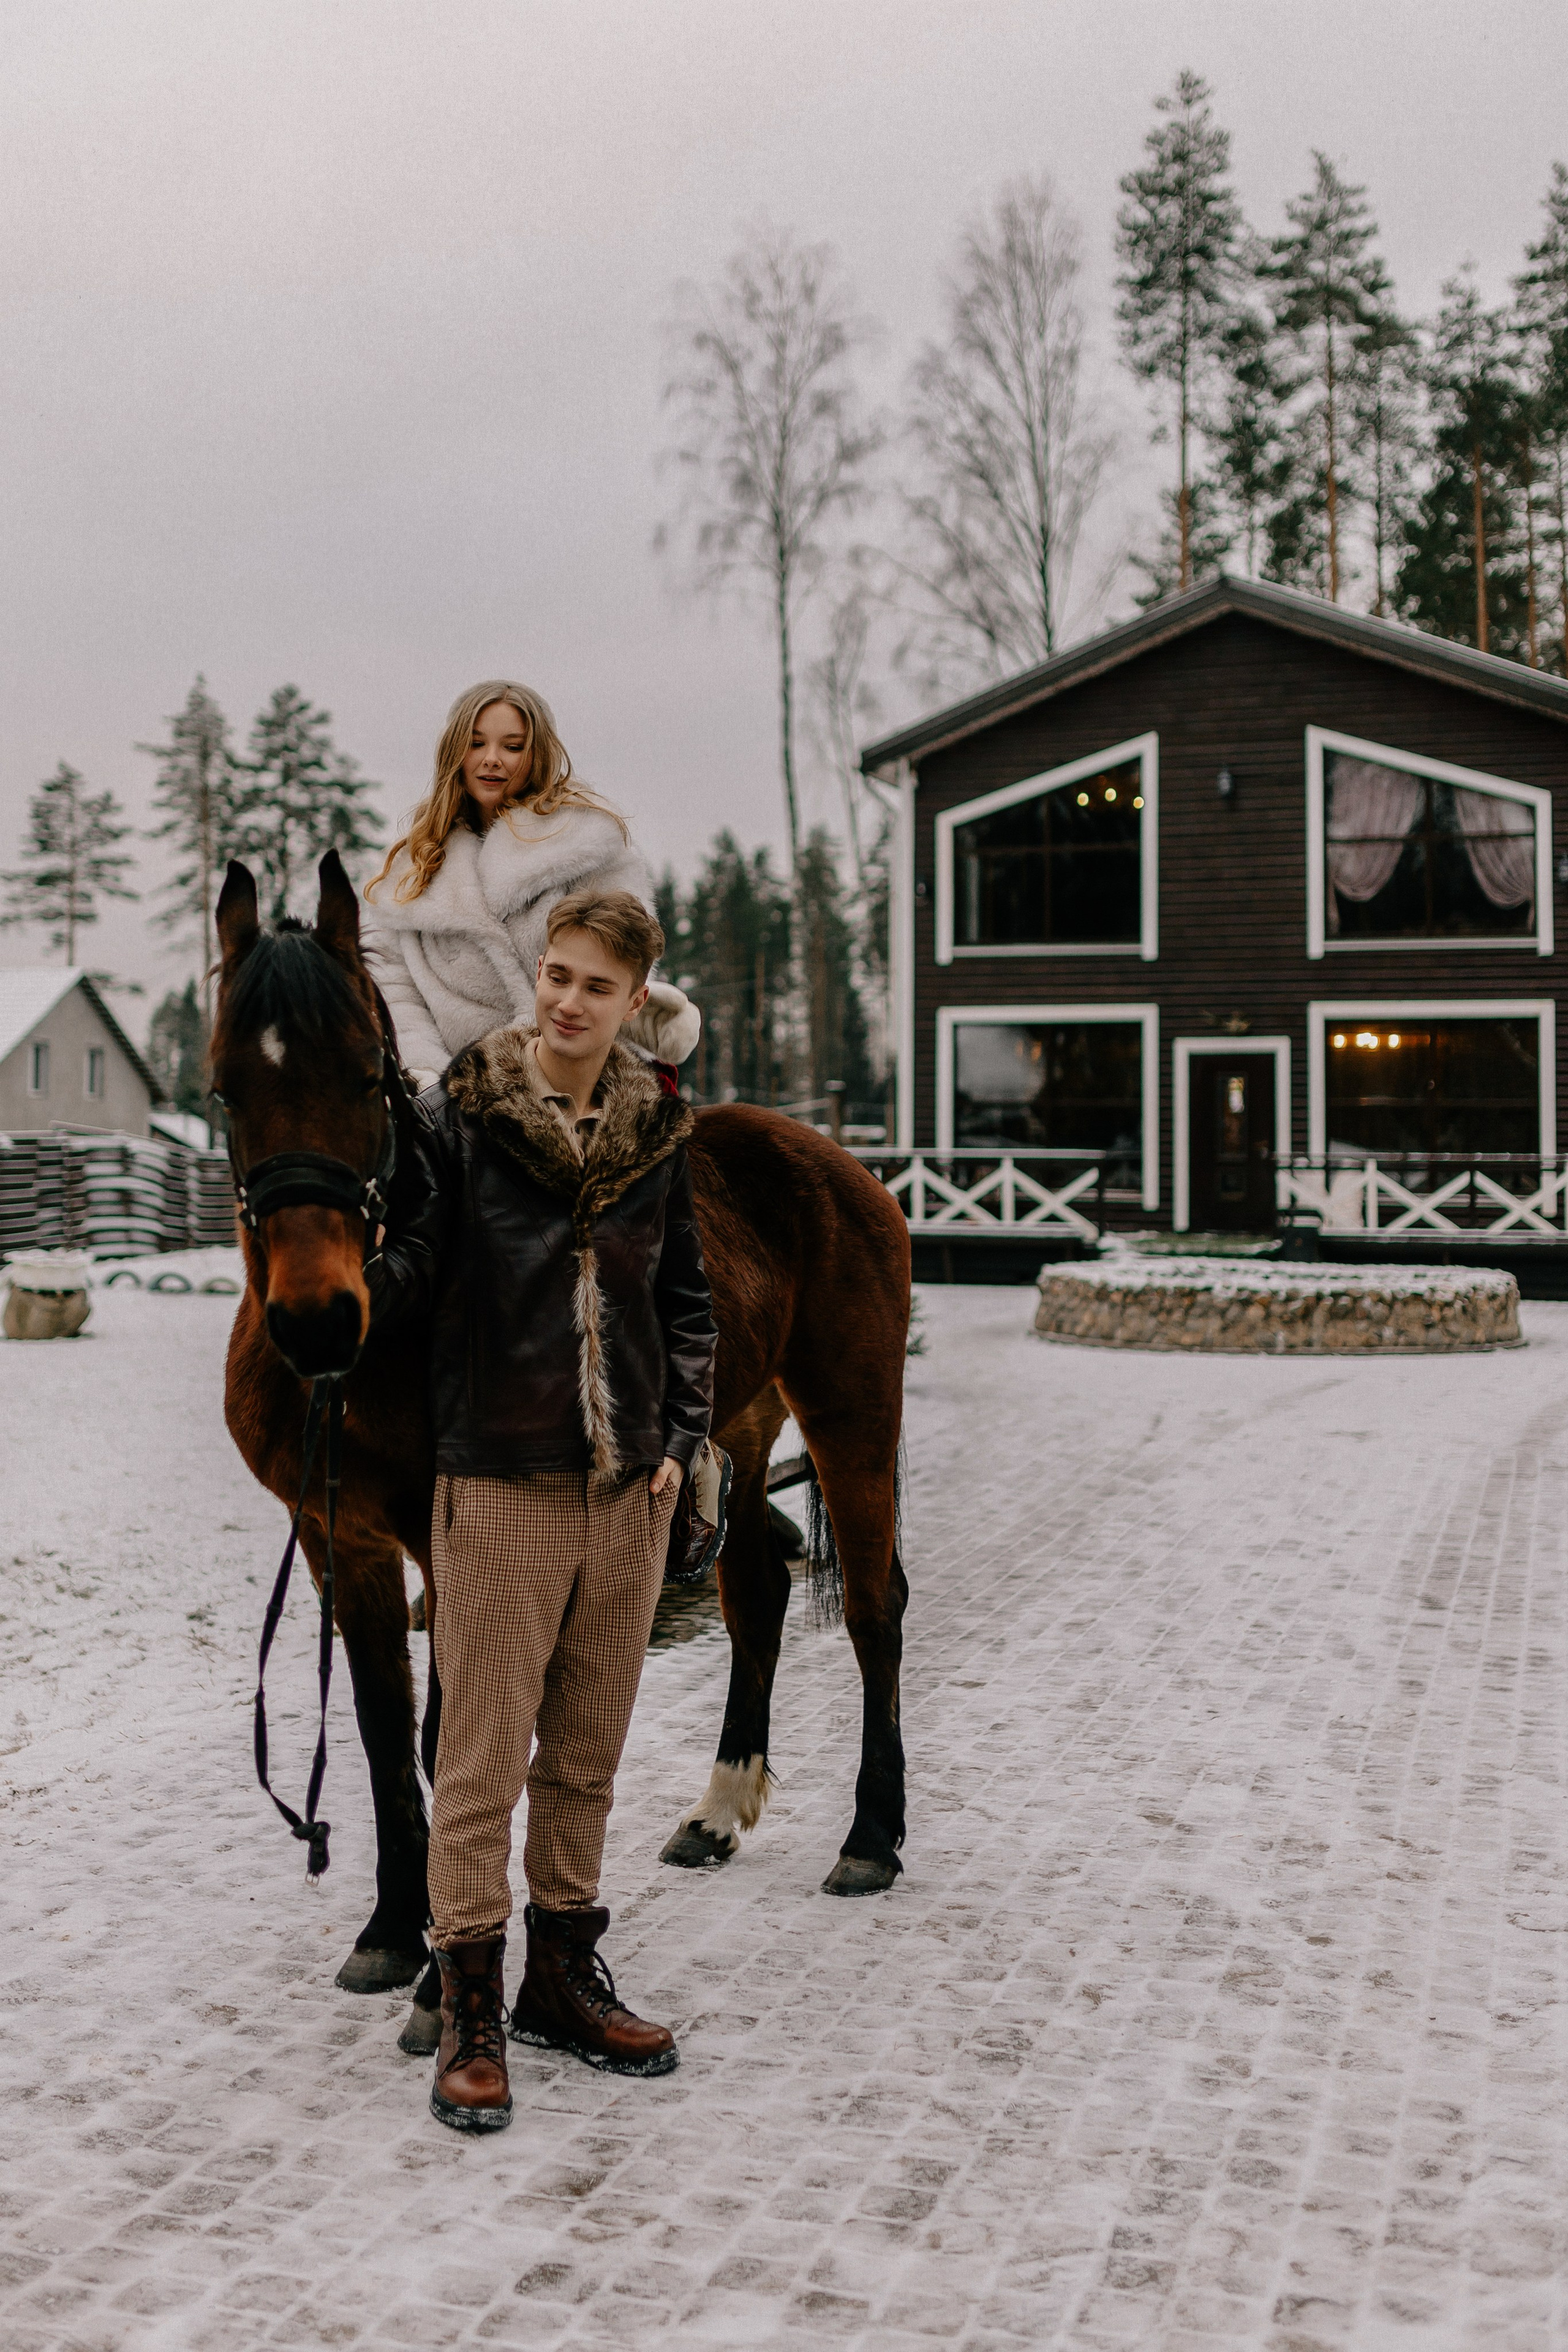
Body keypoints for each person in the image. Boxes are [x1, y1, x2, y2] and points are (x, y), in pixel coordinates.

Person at [369, 888, 717, 2132]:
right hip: (499, 1478)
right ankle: (469, 2003)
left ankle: (560, 1980)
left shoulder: (656, 1127)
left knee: (584, 1756)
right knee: (479, 1764)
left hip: (626, 1491)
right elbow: (416, 1258)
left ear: (635, 1001)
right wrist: (349, 1295)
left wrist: (681, 1435)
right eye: (556, 975)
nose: (568, 1001)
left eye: (596, 986)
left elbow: (685, 1298)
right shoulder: (462, 1114)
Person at [363, 679, 699, 1089]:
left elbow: (619, 966)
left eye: (512, 746)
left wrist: (519, 1071)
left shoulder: (587, 846)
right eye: (476, 743)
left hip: (578, 1075)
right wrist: (431, 1078)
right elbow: (393, 989)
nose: (491, 760)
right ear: (455, 751)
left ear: (537, 754)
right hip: (446, 1090)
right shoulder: (411, 868)